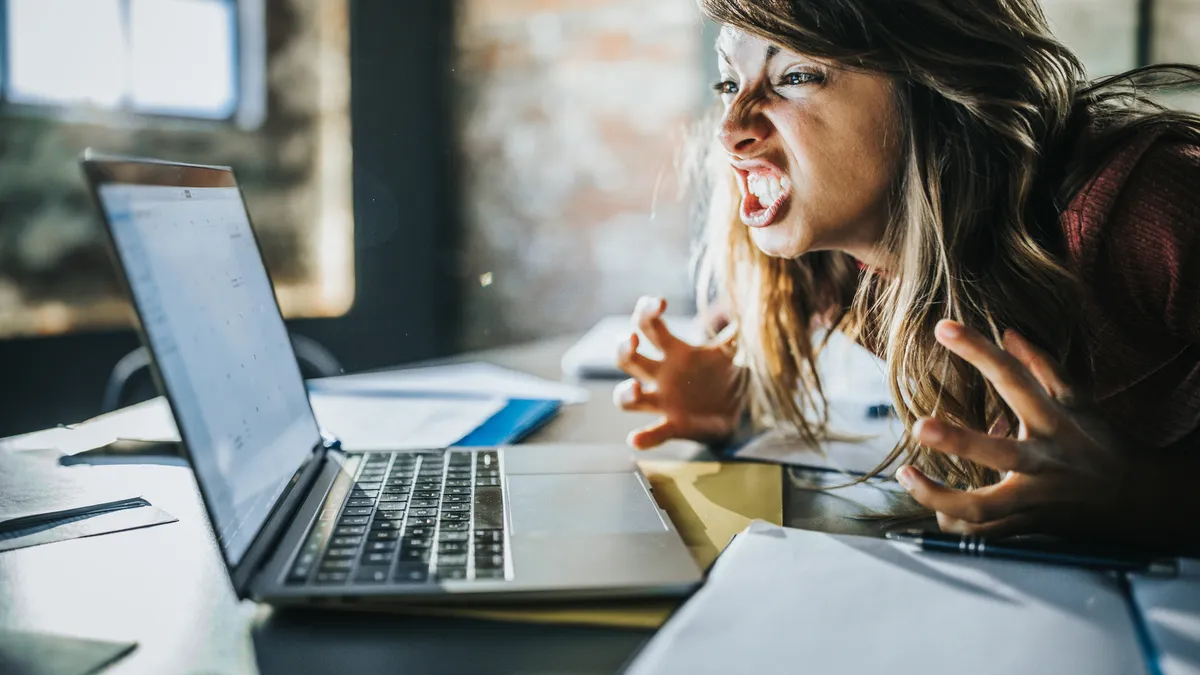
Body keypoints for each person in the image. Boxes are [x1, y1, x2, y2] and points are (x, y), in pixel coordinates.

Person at [613, 0, 1200, 547]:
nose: (730, 128)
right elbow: (734, 335)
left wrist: (1140, 495)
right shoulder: (836, 263)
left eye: (795, 77)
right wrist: (741, 396)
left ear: (937, 87)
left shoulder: (1155, 208)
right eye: (728, 83)